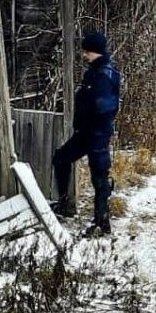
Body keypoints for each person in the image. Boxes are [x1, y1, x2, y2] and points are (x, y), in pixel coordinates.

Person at [52, 32, 122, 237]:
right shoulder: (95, 71)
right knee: (61, 158)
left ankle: (102, 222)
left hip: (97, 133)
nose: (84, 55)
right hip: (86, 132)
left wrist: (93, 114)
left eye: (87, 51)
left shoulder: (103, 74)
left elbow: (105, 106)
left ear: (95, 52)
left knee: (99, 176)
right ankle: (65, 203)